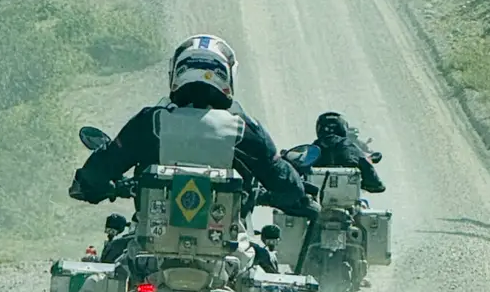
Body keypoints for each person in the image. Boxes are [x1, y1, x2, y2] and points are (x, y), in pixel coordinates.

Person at [70, 33, 318, 219]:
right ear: (228, 77)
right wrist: (296, 197)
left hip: (148, 243)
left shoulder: (150, 123)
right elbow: (284, 182)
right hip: (229, 249)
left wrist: (90, 186)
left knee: (113, 255)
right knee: (266, 267)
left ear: (177, 73)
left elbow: (101, 169)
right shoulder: (244, 130)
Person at [293, 111, 386, 193]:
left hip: (316, 200)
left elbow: (297, 171)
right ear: (343, 128)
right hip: (349, 199)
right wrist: (375, 185)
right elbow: (365, 165)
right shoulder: (350, 146)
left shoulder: (313, 149)